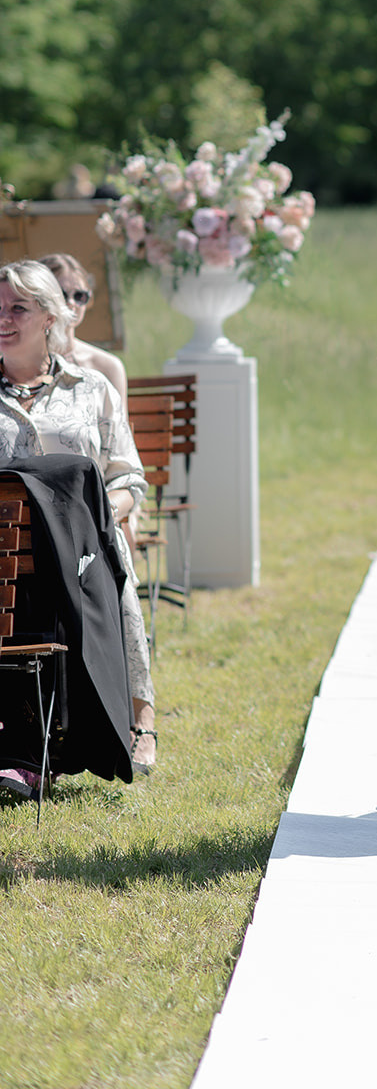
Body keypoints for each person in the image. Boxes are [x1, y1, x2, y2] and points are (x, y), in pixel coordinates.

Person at [0, 260, 157, 787]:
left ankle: (136, 719)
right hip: (4, 562)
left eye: (17, 307)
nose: (4, 318)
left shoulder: (91, 390)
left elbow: (129, 476)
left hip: (85, 554)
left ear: (49, 316)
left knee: (112, 576)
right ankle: (24, 749)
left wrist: (93, 521)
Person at [38, 252, 128, 404]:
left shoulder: (108, 366)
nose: (72, 303)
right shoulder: (15, 366)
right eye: (62, 294)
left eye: (80, 296)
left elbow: (119, 426)